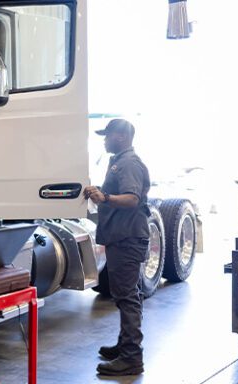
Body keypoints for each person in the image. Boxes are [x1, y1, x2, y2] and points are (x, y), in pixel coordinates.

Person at [83, 118, 151, 376]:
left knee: (126, 297)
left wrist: (105, 196)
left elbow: (132, 199)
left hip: (127, 238)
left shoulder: (128, 163)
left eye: (107, 135)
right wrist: (101, 191)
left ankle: (132, 358)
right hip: (123, 237)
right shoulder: (120, 162)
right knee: (128, 294)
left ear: (121, 137)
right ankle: (126, 345)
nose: (104, 139)